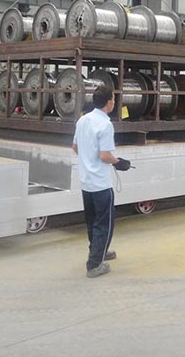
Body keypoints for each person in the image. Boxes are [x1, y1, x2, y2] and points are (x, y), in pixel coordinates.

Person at [72, 86, 131, 278]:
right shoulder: (105, 124)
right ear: (109, 103)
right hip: (101, 184)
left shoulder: (83, 120)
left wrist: (87, 160)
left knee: (92, 221)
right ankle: (94, 264)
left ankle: (99, 251)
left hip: (86, 182)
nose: (114, 102)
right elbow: (105, 155)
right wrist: (119, 162)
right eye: (113, 99)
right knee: (104, 223)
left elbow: (75, 147)